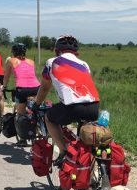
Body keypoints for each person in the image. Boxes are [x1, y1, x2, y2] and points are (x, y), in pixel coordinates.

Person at [31, 35, 100, 163]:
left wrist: (37, 104)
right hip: (94, 106)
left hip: (72, 107)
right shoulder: (84, 64)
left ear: (57, 49)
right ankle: (88, 163)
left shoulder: (51, 62)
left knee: (49, 118)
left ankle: (63, 151)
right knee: (84, 138)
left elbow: (45, 88)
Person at [2, 43, 40, 147]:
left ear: (13, 52)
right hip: (36, 87)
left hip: (22, 89)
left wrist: (4, 87)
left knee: (20, 115)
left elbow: (6, 77)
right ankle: (38, 128)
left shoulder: (11, 61)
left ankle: (23, 139)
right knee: (34, 110)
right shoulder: (31, 61)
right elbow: (31, 75)